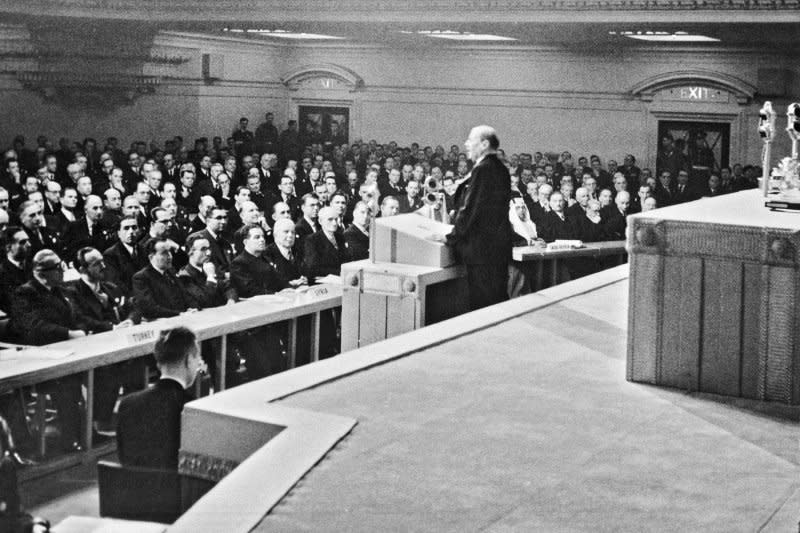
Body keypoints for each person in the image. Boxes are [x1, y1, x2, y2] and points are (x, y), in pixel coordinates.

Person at [11, 249, 85, 452]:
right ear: (42, 272)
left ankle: (87, 429)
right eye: (58, 268)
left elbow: (75, 317)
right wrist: (68, 333)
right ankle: (70, 439)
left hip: (69, 351)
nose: (63, 271)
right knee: (68, 384)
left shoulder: (59, 290)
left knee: (104, 372)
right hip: (39, 355)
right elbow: (34, 327)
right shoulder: (26, 293)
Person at [437, 125, 511, 311]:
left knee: (483, 307)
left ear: (484, 144)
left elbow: (471, 210)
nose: (466, 144)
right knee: (497, 304)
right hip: (495, 252)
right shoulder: (500, 168)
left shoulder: (484, 169)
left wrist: (450, 237)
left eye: (471, 140)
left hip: (482, 254)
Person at [116, 327, 206, 470]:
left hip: (133, 488)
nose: (198, 365)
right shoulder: (192, 408)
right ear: (189, 360)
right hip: (174, 490)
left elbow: (124, 459)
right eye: (198, 359)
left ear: (159, 363)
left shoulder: (127, 404)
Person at [302, 206, 349, 280]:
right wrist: (340, 272)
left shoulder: (340, 237)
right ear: (320, 221)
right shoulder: (312, 240)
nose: (334, 223)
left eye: (336, 219)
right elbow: (313, 268)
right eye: (330, 219)